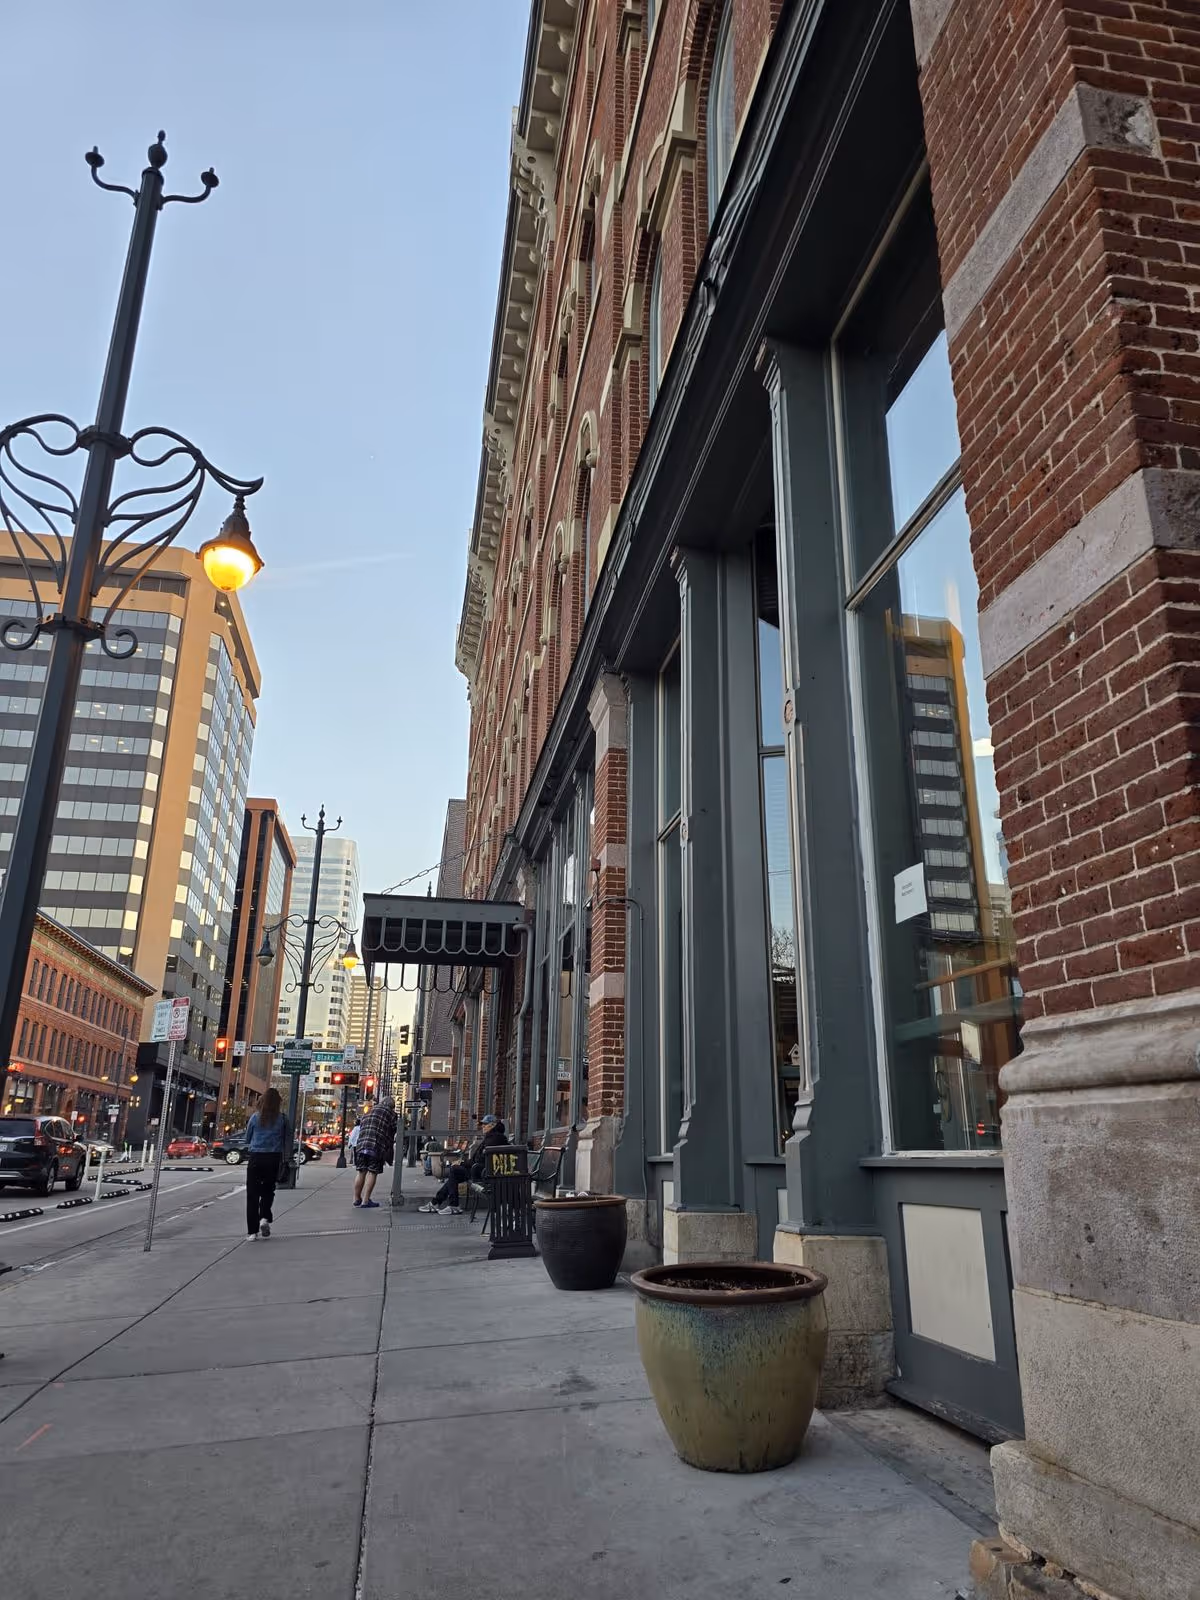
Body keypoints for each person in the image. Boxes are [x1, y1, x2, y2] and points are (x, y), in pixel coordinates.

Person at [419, 1113, 506, 1215]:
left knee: (455, 1170)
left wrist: (462, 1163)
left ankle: (450, 1204)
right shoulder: (493, 1137)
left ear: (493, 1125)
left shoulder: (493, 1139)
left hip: (482, 1172)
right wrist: (462, 1163)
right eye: (482, 1124)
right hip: (483, 1170)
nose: (482, 1126)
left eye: (485, 1124)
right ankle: (437, 1202)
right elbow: (479, 1160)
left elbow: (479, 1160)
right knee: (454, 1174)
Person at [242, 1087, 290, 1241]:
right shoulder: (282, 1119)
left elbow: (247, 1139)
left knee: (252, 1195)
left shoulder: (255, 1117)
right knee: (268, 1191)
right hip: (273, 1158)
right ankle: (264, 1217)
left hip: (256, 1158)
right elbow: (287, 1140)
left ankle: (252, 1232)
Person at [353, 1096, 397, 1209]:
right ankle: (366, 1200)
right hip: (376, 1146)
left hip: (361, 1145)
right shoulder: (391, 1114)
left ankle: (356, 1198)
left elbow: (361, 1125)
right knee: (372, 1172)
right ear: (392, 1106)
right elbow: (394, 1130)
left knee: (361, 1172)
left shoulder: (370, 1110)